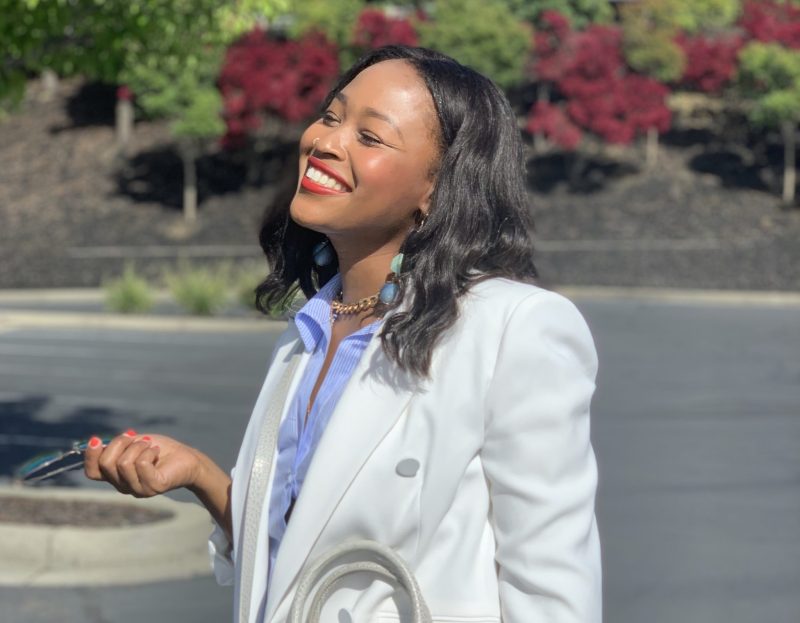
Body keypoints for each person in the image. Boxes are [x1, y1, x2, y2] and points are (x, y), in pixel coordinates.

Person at [84, 45, 601, 623]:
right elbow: (300, 547)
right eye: (332, 116)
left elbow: (554, 588)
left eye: (371, 137)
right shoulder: (309, 327)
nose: (325, 142)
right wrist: (204, 478)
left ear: (438, 190)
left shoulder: (512, 327)